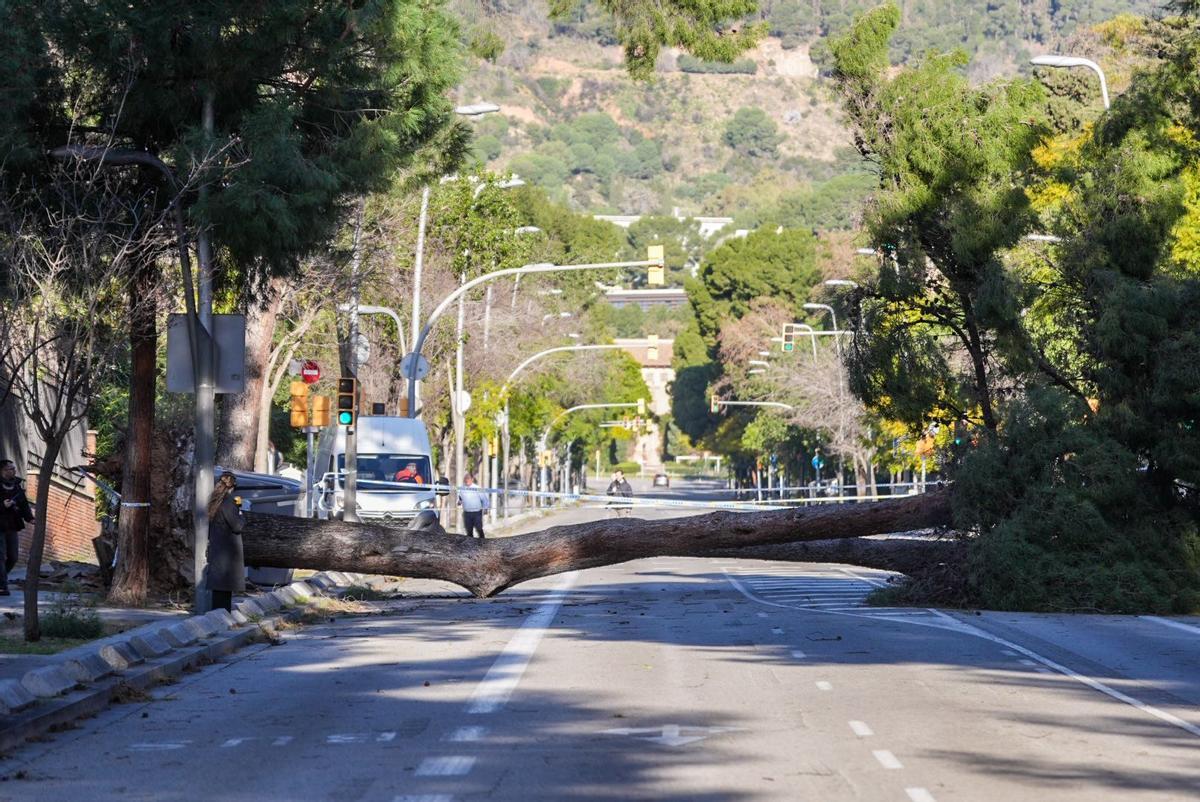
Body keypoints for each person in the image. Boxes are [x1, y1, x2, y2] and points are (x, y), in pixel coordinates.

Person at [206, 471, 245, 612]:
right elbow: (237, 526)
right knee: (224, 588)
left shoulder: (215, 501)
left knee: (220, 588)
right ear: (232, 486)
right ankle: (222, 615)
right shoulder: (229, 503)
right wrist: (240, 511)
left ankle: (218, 613)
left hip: (217, 547)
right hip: (227, 550)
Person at [0, 460, 34, 597]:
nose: (13, 471)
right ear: (2, 471)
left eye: (14, 468)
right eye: (10, 469)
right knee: (0, 556)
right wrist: (2, 506)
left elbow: (24, 504)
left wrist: (30, 518)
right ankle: (2, 586)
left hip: (12, 525)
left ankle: (1, 579)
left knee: (13, 556)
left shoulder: (16, 486)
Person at [458, 473, 490, 539]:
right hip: (467, 513)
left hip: (477, 513)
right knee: (469, 531)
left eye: (468, 478)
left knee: (479, 529)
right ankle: (470, 547)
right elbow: (459, 499)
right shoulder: (462, 489)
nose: (466, 480)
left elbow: (485, 499)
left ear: (472, 479)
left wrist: (486, 508)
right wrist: (459, 502)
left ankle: (483, 543)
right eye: (465, 478)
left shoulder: (478, 488)